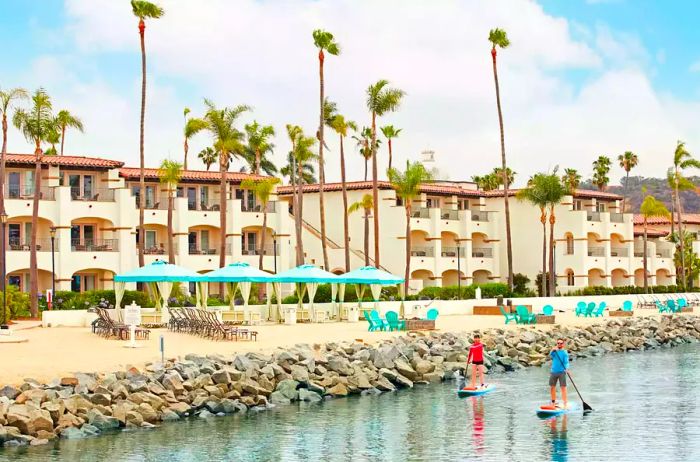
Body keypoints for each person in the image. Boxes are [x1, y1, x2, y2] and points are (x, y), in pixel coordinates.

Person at [549, 337, 570, 408]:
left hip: (562, 372)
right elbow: (551, 355)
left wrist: (567, 369)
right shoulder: (555, 351)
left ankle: (565, 403)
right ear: (557, 344)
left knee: (563, 387)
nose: (559, 344)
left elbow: (566, 362)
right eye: (558, 343)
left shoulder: (564, 353)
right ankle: (553, 402)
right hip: (553, 371)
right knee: (552, 387)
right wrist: (552, 350)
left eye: (561, 343)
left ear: (563, 344)